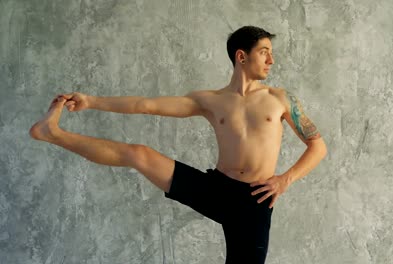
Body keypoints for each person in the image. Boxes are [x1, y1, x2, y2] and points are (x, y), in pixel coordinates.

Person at [29, 25, 327, 264]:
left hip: (255, 201)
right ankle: (51, 133)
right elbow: (146, 105)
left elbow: (318, 146)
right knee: (138, 154)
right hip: (217, 189)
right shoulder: (210, 101)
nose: (271, 60)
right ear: (242, 56)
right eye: (265, 53)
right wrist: (92, 101)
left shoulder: (281, 99)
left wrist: (285, 179)